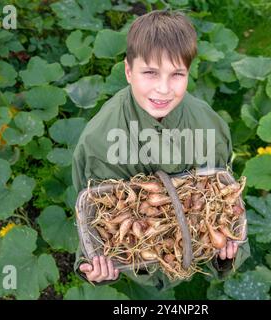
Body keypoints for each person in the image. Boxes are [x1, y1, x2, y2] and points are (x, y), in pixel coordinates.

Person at [72, 10, 250, 290]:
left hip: (198, 257)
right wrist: (93, 264)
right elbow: (93, 213)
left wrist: (226, 255)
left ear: (189, 74)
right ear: (128, 71)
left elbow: (224, 201)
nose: (163, 89)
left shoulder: (210, 126)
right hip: (133, 269)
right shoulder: (99, 141)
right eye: (150, 73)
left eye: (176, 74)